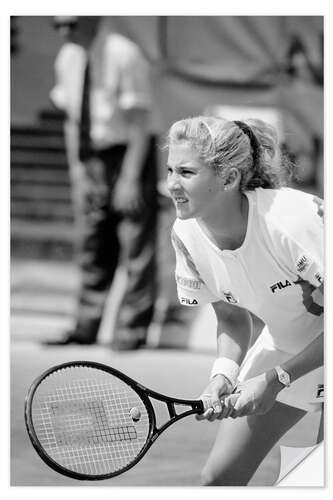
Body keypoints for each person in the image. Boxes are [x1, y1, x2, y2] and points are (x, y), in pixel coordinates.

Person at [166, 116, 324, 485]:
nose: (171, 183)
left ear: (229, 178)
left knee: (318, 479)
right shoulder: (185, 233)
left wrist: (277, 379)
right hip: (291, 344)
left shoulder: (291, 221)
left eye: (186, 172)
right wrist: (223, 375)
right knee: (218, 480)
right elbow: (232, 317)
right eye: (170, 169)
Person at [45, 16, 158, 350]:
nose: (65, 31)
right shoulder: (67, 58)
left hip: (129, 152)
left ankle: (131, 329)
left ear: (93, 18)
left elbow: (140, 122)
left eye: (71, 23)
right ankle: (85, 325)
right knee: (92, 242)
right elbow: (71, 120)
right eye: (58, 25)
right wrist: (78, 172)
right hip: (91, 154)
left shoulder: (124, 53)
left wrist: (130, 177)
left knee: (136, 241)